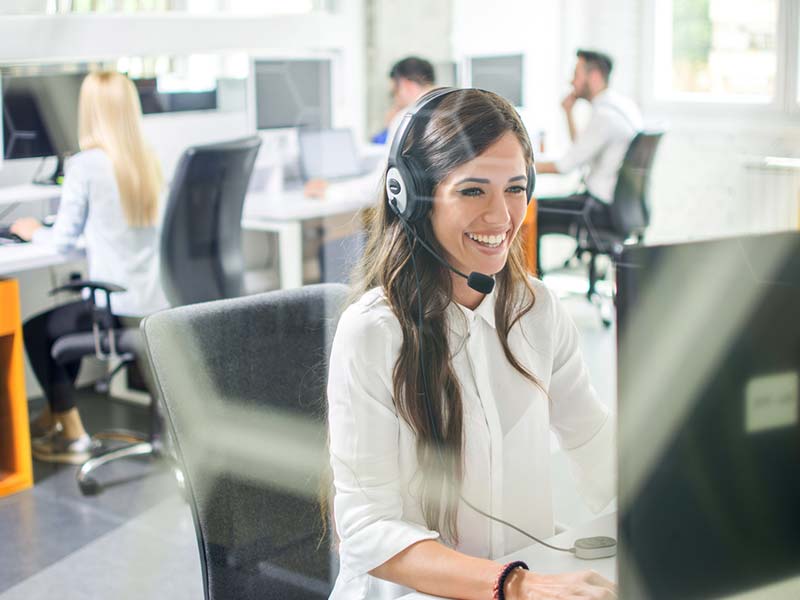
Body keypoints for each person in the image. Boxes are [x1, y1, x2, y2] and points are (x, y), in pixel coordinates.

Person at [327, 88, 616, 599]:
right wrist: (515, 586)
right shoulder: (373, 333)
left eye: (515, 188)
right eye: (473, 190)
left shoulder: (537, 310)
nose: (502, 216)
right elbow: (368, 531)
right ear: (412, 197)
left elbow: (594, 444)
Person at [11, 71, 169, 464]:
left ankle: (73, 436)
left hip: (115, 309)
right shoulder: (148, 160)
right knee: (67, 324)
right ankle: (54, 415)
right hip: (154, 306)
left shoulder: (85, 166)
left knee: (38, 331)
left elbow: (62, 242)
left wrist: (32, 231)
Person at [535, 49, 642, 271]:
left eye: (576, 74)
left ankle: (532, 285)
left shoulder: (605, 117)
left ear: (594, 77)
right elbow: (582, 153)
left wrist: (521, 165)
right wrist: (568, 113)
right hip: (621, 207)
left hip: (597, 210)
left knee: (531, 211)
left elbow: (565, 165)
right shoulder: (622, 107)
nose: (571, 81)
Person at [303, 56, 436, 199]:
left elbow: (383, 183)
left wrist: (331, 191)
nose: (395, 100)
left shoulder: (407, 118)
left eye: (393, 93)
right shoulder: (449, 108)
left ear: (406, 85)